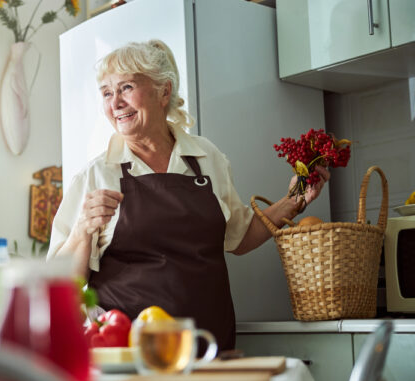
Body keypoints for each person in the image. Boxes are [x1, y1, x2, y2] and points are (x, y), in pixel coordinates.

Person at [47, 39, 329, 351]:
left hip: (208, 345)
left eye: (126, 87)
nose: (115, 103)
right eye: (106, 92)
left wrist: (295, 199)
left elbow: (240, 236)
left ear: (163, 92)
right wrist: (81, 231)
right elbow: (60, 287)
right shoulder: (96, 175)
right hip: (129, 355)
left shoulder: (207, 157)